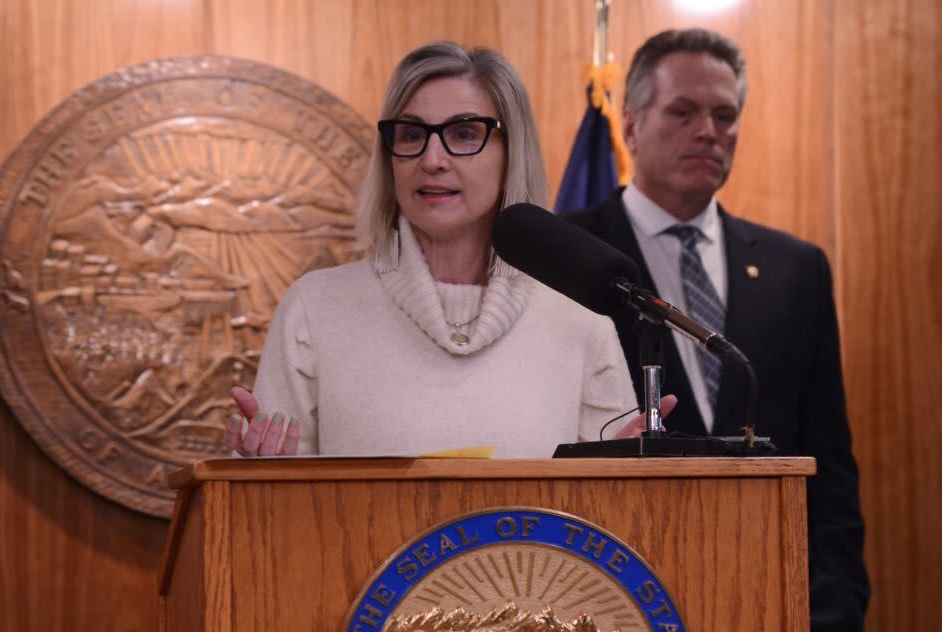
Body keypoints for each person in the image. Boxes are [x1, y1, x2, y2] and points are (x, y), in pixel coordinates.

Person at [562, 29, 869, 632]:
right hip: (613, 610)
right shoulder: (568, 256)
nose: (709, 131)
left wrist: (834, 618)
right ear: (631, 124)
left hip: (772, 613)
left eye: (725, 116)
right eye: (683, 112)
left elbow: (828, 463)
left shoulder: (795, 268)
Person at [223, 41, 667, 459]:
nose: (432, 159)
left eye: (464, 132)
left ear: (512, 153)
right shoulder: (315, 309)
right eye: (412, 134)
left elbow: (600, 530)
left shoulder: (581, 320)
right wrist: (264, 475)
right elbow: (276, 520)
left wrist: (622, 474)